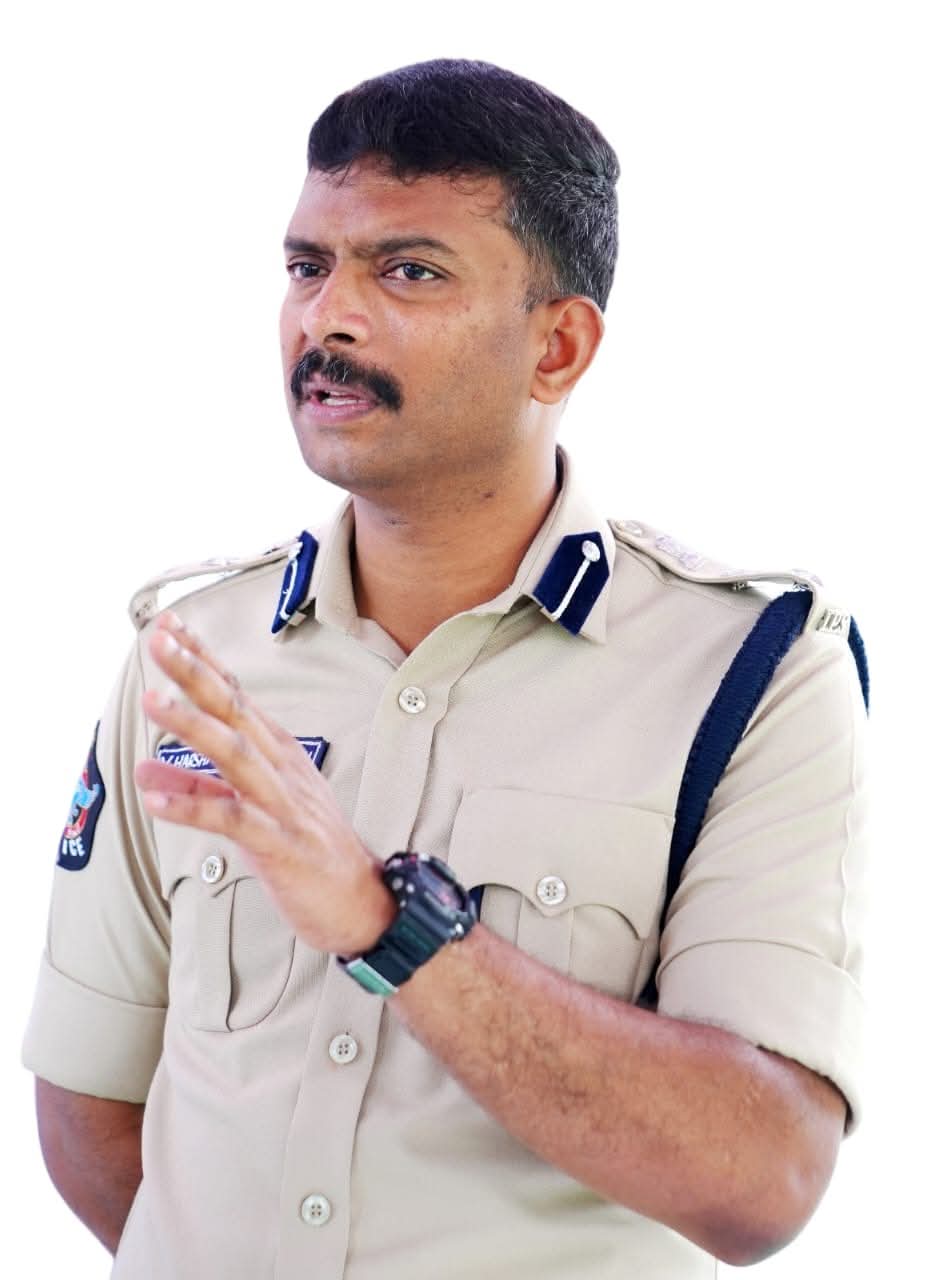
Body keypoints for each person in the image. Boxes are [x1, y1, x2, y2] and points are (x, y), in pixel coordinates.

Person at [22, 58, 868, 1280]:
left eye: (407, 270)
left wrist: (393, 926)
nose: (328, 318)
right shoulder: (192, 654)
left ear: (557, 347)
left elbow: (758, 1178)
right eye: (306, 265)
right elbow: (90, 1118)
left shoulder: (752, 674)